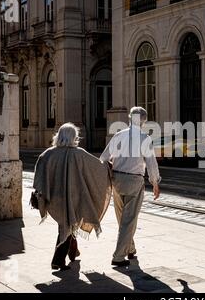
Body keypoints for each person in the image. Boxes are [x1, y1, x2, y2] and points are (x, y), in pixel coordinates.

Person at [33, 123, 112, 270]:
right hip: (73, 196)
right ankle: (58, 260)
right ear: (73, 137)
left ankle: (73, 251)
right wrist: (107, 166)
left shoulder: (47, 154)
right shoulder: (79, 153)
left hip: (53, 198)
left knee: (68, 223)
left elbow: (39, 176)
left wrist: (41, 193)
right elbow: (98, 167)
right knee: (68, 224)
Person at [100, 107, 161, 267]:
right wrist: (155, 182)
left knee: (123, 219)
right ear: (143, 121)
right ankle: (118, 256)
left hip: (117, 180)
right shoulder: (144, 138)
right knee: (129, 220)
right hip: (134, 181)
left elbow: (104, 158)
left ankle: (130, 249)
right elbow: (151, 163)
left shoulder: (119, 135)